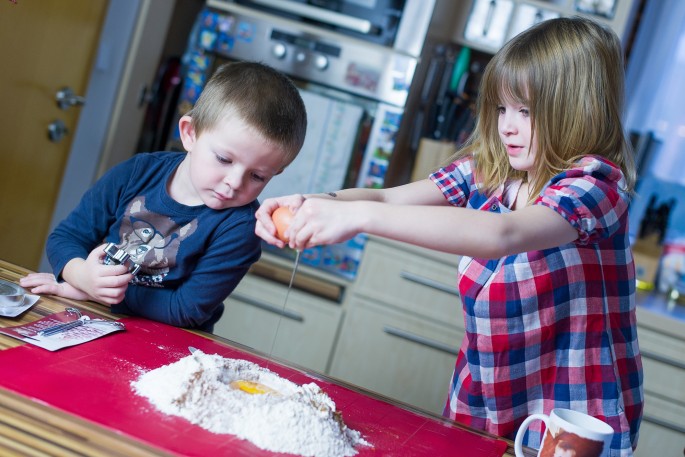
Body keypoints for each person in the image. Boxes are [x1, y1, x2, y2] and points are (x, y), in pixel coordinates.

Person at [255, 17, 642, 456]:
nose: (507, 127)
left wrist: (356, 218)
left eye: (526, 111)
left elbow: (503, 233)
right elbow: (387, 200)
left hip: (571, 419)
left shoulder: (595, 188)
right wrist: (310, 201)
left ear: (577, 108)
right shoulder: (491, 171)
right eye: (501, 108)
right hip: (482, 400)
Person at [20, 61, 307, 332]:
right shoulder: (136, 173)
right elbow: (66, 238)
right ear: (190, 134)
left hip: (167, 343)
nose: (234, 183)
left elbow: (186, 309)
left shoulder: (241, 228)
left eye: (257, 176)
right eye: (223, 159)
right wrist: (81, 276)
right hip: (86, 317)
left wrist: (100, 294)